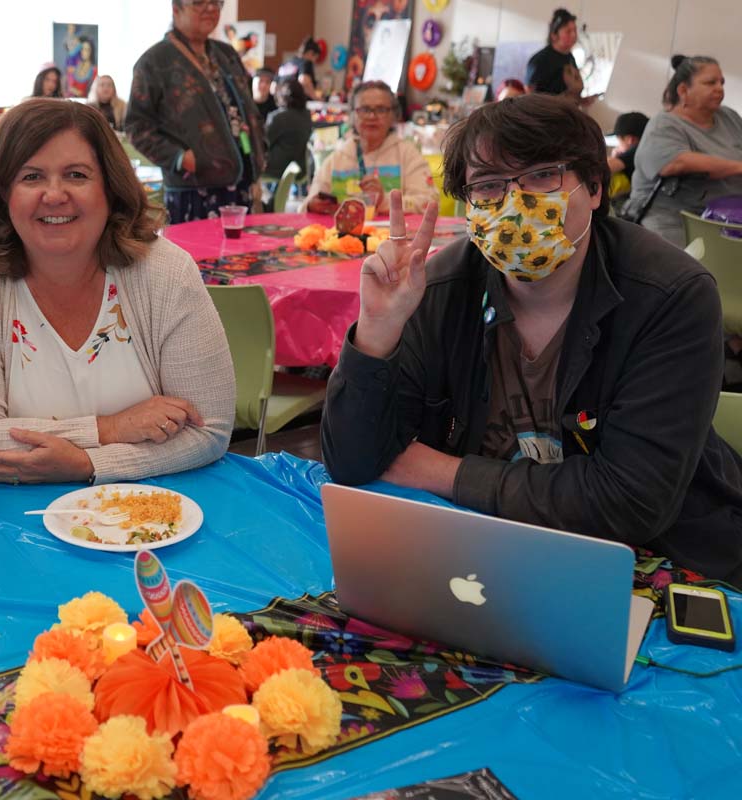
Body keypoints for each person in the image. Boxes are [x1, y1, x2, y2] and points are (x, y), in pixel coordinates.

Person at [320, 94, 742, 582]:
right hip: (477, 559)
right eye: (490, 186)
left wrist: (438, 471)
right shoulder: (436, 288)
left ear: (595, 188)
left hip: (654, 563)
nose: (516, 205)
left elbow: (629, 503)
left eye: (543, 175)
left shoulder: (670, 297)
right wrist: (376, 334)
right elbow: (353, 462)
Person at [0, 98, 234, 484]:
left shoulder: (165, 272)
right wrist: (109, 429)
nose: (54, 195)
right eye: (31, 177)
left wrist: (89, 466)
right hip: (10, 520)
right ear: (3, 194)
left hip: (151, 517)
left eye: (76, 175)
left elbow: (208, 429)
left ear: (110, 188)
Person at [125, 0, 265, 223]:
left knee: (240, 256)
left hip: (242, 181)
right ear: (176, 8)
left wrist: (259, 148)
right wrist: (179, 158)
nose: (210, 8)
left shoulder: (226, 54)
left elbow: (246, 109)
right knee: (197, 256)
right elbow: (136, 127)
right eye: (199, 2)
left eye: (216, 2)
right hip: (193, 188)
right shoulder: (154, 62)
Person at [626, 56, 742, 246]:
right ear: (683, 90)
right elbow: (676, 162)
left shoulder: (729, 117)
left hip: (729, 221)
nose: (719, 88)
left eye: (721, 82)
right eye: (710, 82)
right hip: (675, 223)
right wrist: (738, 167)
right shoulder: (663, 125)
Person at [306, 80, 436, 216]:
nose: (371, 116)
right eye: (364, 109)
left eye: (381, 110)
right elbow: (308, 202)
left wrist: (383, 201)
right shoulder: (337, 158)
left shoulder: (408, 154)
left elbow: (428, 203)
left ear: (394, 115)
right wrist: (313, 205)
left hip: (394, 236)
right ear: (352, 115)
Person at [525, 9, 586, 103]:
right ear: (554, 35)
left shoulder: (570, 58)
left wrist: (581, 100)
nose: (574, 35)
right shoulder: (540, 60)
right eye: (568, 31)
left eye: (574, 30)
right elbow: (530, 92)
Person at [264, 78, 311, 180]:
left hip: (276, 170)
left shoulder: (277, 117)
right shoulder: (307, 115)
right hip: (300, 170)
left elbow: (264, 143)